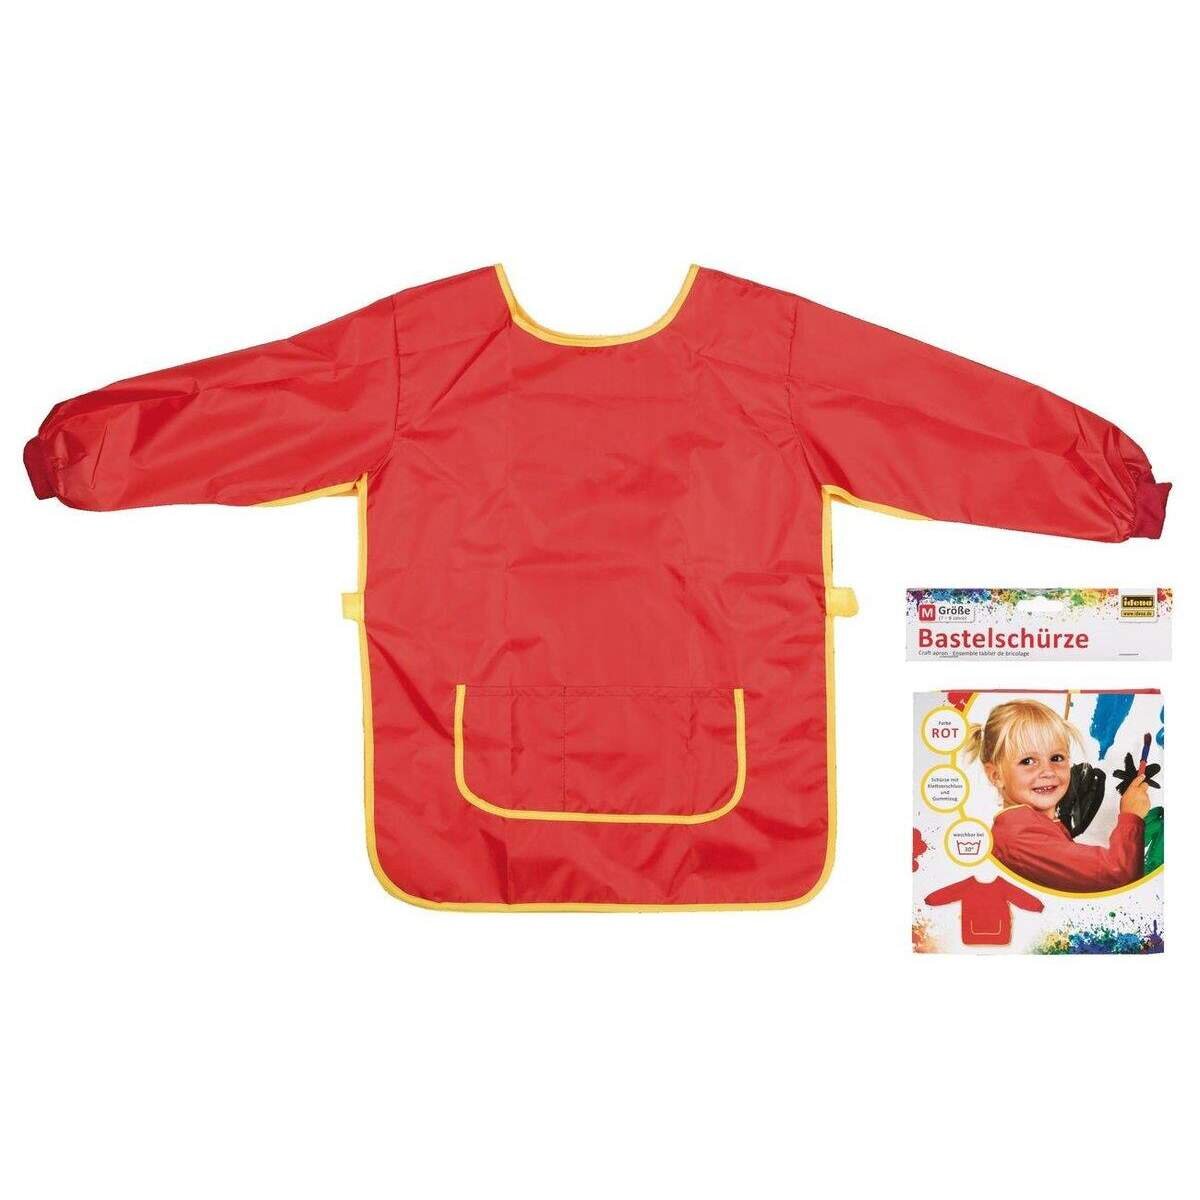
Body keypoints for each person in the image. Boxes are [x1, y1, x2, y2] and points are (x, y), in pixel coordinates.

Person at [965, 700, 1150, 892]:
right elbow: (1118, 875)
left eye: (1056, 758)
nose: (1048, 771)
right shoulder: (1019, 838)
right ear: (996, 775)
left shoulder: (1028, 828)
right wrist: (1131, 815)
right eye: (1028, 761)